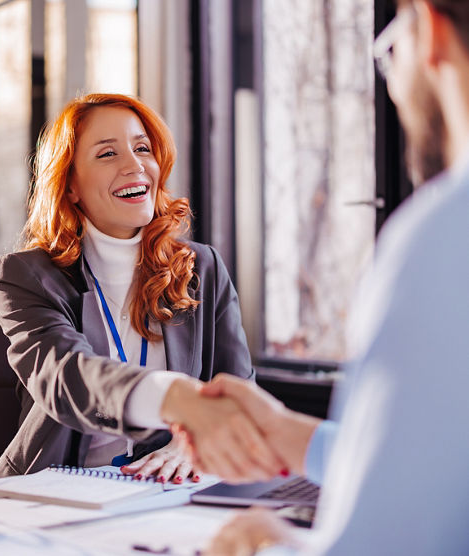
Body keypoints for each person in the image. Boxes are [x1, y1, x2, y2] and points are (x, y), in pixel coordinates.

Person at [167, 0, 469, 554]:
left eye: (390, 46)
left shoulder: (441, 235)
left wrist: (270, 544)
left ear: (428, 30)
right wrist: (295, 436)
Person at [0, 93, 284, 483]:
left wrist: (190, 441)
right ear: (71, 185)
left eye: (143, 148)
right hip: (55, 489)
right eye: (108, 154)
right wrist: (171, 397)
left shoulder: (202, 267)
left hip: (168, 489)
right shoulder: (23, 276)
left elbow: (239, 392)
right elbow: (66, 375)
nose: (135, 164)